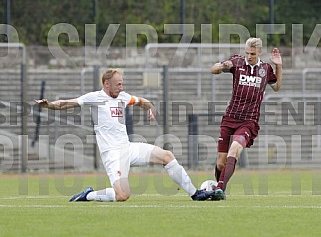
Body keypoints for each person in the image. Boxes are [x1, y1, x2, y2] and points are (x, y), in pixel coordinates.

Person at [35, 68, 223, 202]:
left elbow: (141, 100)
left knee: (167, 156)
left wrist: (150, 107)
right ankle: (89, 195)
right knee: (122, 196)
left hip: (128, 147)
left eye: (122, 83)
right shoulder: (95, 97)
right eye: (118, 84)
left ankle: (195, 193)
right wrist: (49, 105)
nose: (121, 86)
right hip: (113, 154)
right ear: (106, 84)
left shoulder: (123, 96)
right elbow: (68, 103)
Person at [210, 38, 283, 200]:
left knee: (234, 149)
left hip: (249, 121)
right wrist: (223, 66)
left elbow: (277, 87)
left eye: (252, 53)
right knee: (221, 163)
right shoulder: (236, 62)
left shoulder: (265, 68)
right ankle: (218, 188)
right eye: (247, 53)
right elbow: (213, 69)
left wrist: (278, 66)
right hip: (230, 118)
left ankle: (220, 188)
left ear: (259, 52)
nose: (249, 56)